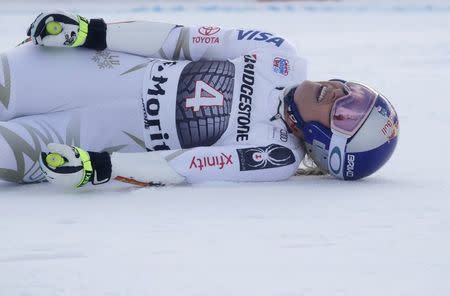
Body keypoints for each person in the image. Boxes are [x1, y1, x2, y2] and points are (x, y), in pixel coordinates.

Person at [0, 11, 399, 187]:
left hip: (78, 138)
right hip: (74, 73)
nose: (340, 94)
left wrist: (101, 168)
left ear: (326, 142)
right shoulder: (279, 53)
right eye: (355, 91)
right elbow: (179, 40)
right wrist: (91, 32)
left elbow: (184, 166)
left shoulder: (275, 156)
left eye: (346, 113)